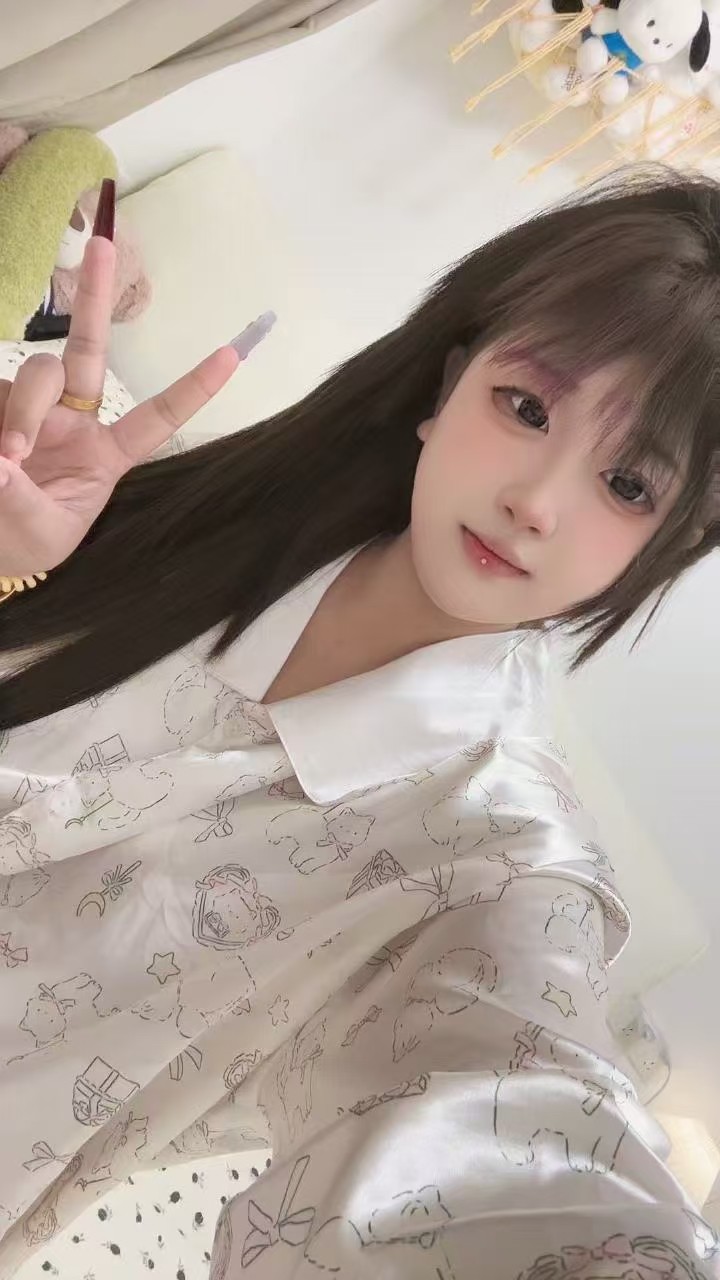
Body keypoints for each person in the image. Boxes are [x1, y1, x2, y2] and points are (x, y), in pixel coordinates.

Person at [0, 168, 718, 1280]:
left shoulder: (493, 857)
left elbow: (517, 1127)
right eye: (527, 409)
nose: (537, 501)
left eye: (628, 484)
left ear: (665, 547)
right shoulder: (171, 505)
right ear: (449, 387)